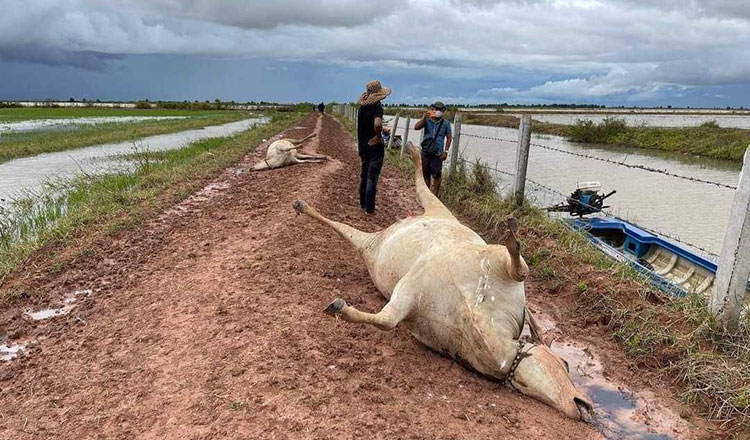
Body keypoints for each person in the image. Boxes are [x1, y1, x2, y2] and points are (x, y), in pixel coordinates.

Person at [356, 80, 391, 214]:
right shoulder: (377, 108)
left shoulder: (362, 109)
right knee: (372, 178)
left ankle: (363, 204)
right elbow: (377, 124)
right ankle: (370, 208)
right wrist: (378, 135)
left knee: (364, 176)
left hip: (363, 147)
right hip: (375, 148)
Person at [414, 101, 452, 196]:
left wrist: (446, 151)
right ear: (432, 109)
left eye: (440, 110)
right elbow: (416, 127)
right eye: (436, 109)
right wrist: (424, 118)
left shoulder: (446, 123)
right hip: (426, 151)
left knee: (437, 175)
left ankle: (435, 194)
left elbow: (449, 137)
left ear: (443, 111)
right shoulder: (427, 120)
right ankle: (427, 194)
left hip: (438, 153)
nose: (438, 111)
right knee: (426, 174)